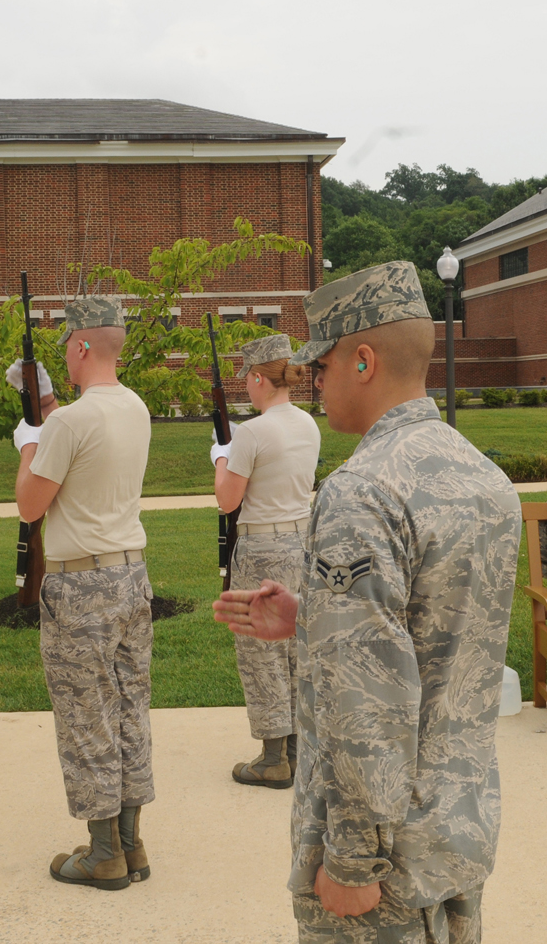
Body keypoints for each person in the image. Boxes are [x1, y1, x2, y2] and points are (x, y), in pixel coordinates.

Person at [214, 261, 522, 943]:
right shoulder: (483, 474)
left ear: (363, 359)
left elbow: (368, 698)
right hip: (456, 827)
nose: (312, 383)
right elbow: (438, 633)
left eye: (318, 365)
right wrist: (315, 616)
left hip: (384, 861)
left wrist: (352, 858)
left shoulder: (363, 491)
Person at [13, 294, 156, 889]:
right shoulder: (137, 407)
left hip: (81, 584)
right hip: (130, 574)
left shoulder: (69, 422)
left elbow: (30, 505)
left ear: (80, 345)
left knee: (86, 713)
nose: (64, 361)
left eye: (66, 349)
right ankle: (130, 842)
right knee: (129, 706)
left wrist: (29, 438)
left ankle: (103, 855)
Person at [211, 332, 321, 788]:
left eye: (248, 380)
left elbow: (227, 499)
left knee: (261, 651)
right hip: (301, 543)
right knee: (296, 647)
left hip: (260, 548)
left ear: (258, 378)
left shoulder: (253, 431)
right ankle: (296, 749)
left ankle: (273, 757)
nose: (245, 388)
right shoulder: (307, 423)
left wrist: (221, 456)